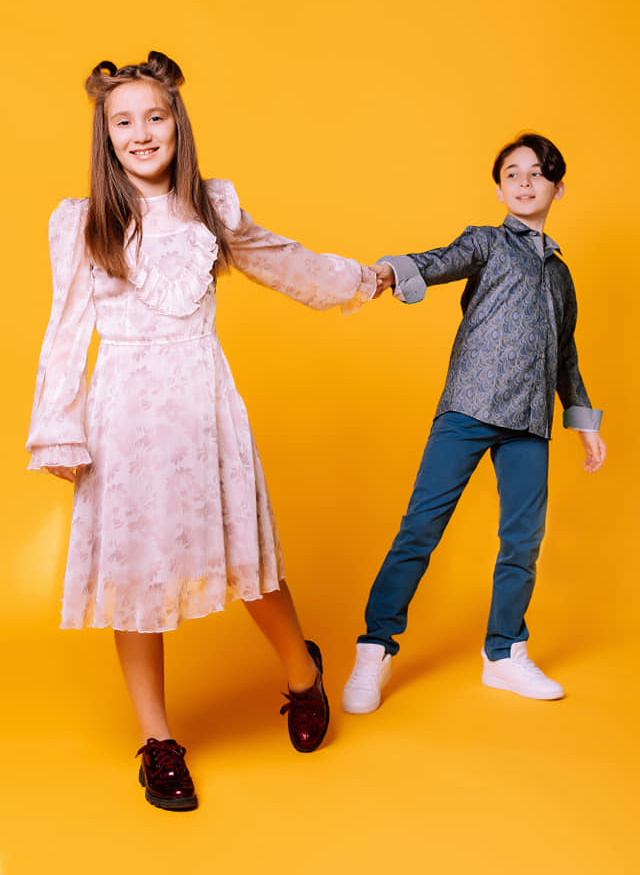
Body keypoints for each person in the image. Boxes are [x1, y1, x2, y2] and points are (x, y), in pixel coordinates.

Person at [26, 50, 375, 811]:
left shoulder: (212, 207)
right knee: (130, 581)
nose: (141, 134)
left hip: (203, 405)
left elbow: (281, 260)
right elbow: (65, 328)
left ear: (177, 124)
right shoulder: (83, 221)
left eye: (155, 117)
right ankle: (158, 742)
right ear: (106, 135)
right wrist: (57, 427)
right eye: (124, 122)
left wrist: (361, 279)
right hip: (122, 416)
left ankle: (303, 674)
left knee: (245, 553)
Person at [342, 133, 606, 714]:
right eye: (512, 173)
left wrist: (584, 422)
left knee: (523, 540)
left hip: (529, 421)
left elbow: (565, 353)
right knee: (420, 528)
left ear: (558, 188)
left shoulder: (561, 276)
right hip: (469, 406)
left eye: (537, 173)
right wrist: (391, 271)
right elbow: (441, 260)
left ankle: (504, 653)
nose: (524, 182)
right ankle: (375, 648)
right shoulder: (486, 242)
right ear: (499, 188)